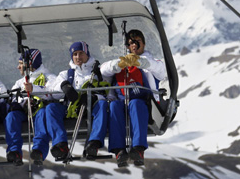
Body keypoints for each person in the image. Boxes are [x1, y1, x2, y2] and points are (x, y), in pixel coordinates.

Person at [101, 29, 166, 167]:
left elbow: (159, 69)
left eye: (137, 42)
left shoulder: (151, 63)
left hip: (144, 104)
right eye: (130, 43)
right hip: (122, 103)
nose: (134, 45)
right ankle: (119, 150)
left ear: (144, 43)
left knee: (136, 104)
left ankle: (138, 148)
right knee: (114, 106)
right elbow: (103, 70)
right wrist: (118, 65)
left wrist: (139, 62)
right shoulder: (123, 64)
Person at [51, 41, 109, 161]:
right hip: (71, 108)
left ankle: (94, 143)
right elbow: (53, 92)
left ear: (87, 54)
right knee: (51, 108)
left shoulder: (98, 73)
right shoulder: (67, 74)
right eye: (75, 54)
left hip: (91, 108)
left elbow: (109, 93)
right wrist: (64, 87)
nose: (78, 57)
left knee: (102, 105)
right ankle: (60, 144)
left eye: (81, 53)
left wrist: (94, 97)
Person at [5, 49, 60, 166]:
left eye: (20, 64)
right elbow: (13, 97)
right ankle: (14, 151)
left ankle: (39, 150)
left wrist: (34, 90)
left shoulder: (49, 77)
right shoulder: (20, 82)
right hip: (24, 112)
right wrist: (17, 103)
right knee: (11, 116)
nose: (18, 67)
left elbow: (54, 93)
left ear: (29, 64)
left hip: (40, 110)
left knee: (42, 114)